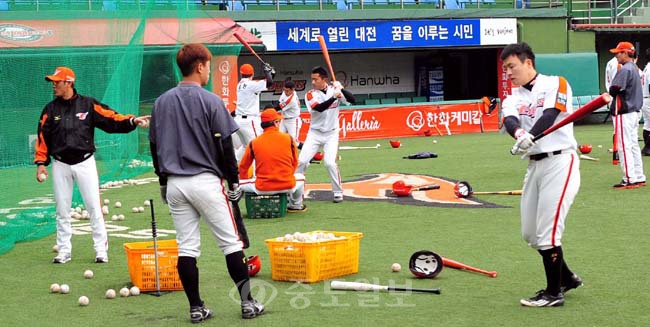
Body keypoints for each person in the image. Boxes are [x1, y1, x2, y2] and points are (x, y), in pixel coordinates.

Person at [149, 43, 264, 323]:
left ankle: (196, 308)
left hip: (175, 184)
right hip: (205, 182)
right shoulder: (211, 100)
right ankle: (247, 303)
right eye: (208, 66)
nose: (209, 71)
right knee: (231, 244)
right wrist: (235, 182)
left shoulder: (161, 102)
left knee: (187, 247)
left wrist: (163, 182)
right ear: (199, 66)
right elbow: (226, 145)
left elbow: (155, 146)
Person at [34, 66, 149, 264]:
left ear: (68, 83)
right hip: (60, 165)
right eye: (53, 82)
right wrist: (41, 163)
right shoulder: (50, 110)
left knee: (94, 208)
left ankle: (100, 251)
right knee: (62, 209)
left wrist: (132, 120)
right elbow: (42, 137)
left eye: (57, 82)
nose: (53, 85)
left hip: (85, 162)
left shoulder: (88, 104)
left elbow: (111, 118)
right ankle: (63, 251)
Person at [500, 42, 583, 307]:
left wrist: (532, 134)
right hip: (535, 165)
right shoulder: (512, 96)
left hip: (560, 160)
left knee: (548, 232)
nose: (508, 73)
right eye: (505, 69)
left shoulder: (555, 83)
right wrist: (520, 134)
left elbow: (551, 114)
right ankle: (567, 277)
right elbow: (510, 119)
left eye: (511, 66)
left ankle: (553, 292)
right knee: (531, 234)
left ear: (528, 63)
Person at [296, 66, 354, 203]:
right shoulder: (310, 94)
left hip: (331, 134)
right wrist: (334, 97)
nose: (313, 82)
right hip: (314, 133)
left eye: (316, 79)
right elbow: (319, 108)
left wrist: (341, 89)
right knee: (302, 161)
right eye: (312, 79)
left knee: (329, 163)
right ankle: (296, 192)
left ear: (324, 79)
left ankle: (338, 192)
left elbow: (352, 100)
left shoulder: (335, 90)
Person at [238, 108, 306, 212]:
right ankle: (296, 206)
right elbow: (295, 162)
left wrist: (246, 179)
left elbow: (243, 167)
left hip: (262, 188)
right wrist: (286, 176)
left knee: (238, 183)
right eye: (278, 121)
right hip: (287, 185)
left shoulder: (254, 142)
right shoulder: (289, 139)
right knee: (301, 177)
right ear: (275, 123)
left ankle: (233, 207)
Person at [608, 41, 646, 188]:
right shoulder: (635, 68)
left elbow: (614, 89)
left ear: (625, 53)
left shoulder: (625, 69)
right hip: (634, 111)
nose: (616, 55)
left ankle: (630, 178)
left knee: (624, 146)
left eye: (618, 53)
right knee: (633, 145)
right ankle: (638, 176)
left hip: (625, 111)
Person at [234, 63, 273, 161]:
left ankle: (230, 167)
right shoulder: (251, 85)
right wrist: (267, 72)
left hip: (239, 120)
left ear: (241, 73)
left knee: (245, 147)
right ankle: (257, 176)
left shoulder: (240, 84)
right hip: (249, 121)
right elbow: (269, 83)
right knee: (258, 148)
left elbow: (267, 81)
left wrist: (270, 73)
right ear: (252, 73)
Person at [641, 48, 650, 156]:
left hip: (645, 98)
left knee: (648, 125)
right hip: (648, 98)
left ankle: (647, 149)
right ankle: (647, 147)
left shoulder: (646, 67)